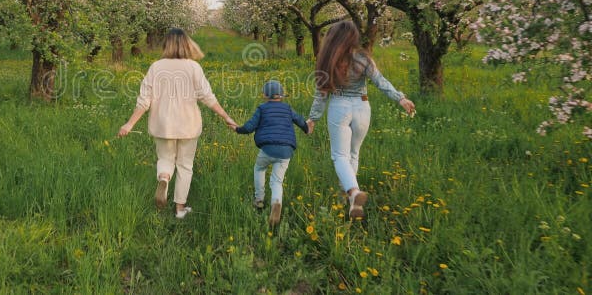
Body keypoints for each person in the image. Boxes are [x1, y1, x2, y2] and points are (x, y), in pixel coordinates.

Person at [118, 28, 237, 219]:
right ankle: (180, 209)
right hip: (188, 125)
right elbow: (208, 97)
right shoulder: (193, 67)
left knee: (165, 159)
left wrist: (129, 124)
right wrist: (226, 117)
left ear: (166, 44)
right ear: (186, 44)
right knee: (185, 165)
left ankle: (164, 177)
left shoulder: (156, 67)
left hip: (162, 125)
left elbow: (144, 100)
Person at [307, 21, 415, 220]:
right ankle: (348, 199)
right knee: (353, 154)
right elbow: (381, 82)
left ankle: (354, 193)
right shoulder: (364, 59)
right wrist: (400, 98)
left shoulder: (328, 60)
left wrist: (313, 119)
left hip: (339, 106)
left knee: (339, 156)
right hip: (362, 107)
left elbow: (321, 95)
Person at [231, 80, 311, 226]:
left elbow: (249, 127)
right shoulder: (287, 108)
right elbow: (299, 120)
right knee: (276, 181)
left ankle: (259, 200)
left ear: (265, 96)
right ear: (281, 96)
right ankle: (276, 202)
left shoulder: (262, 108)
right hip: (286, 150)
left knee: (259, 168)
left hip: (267, 149)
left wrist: (238, 129)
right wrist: (306, 128)